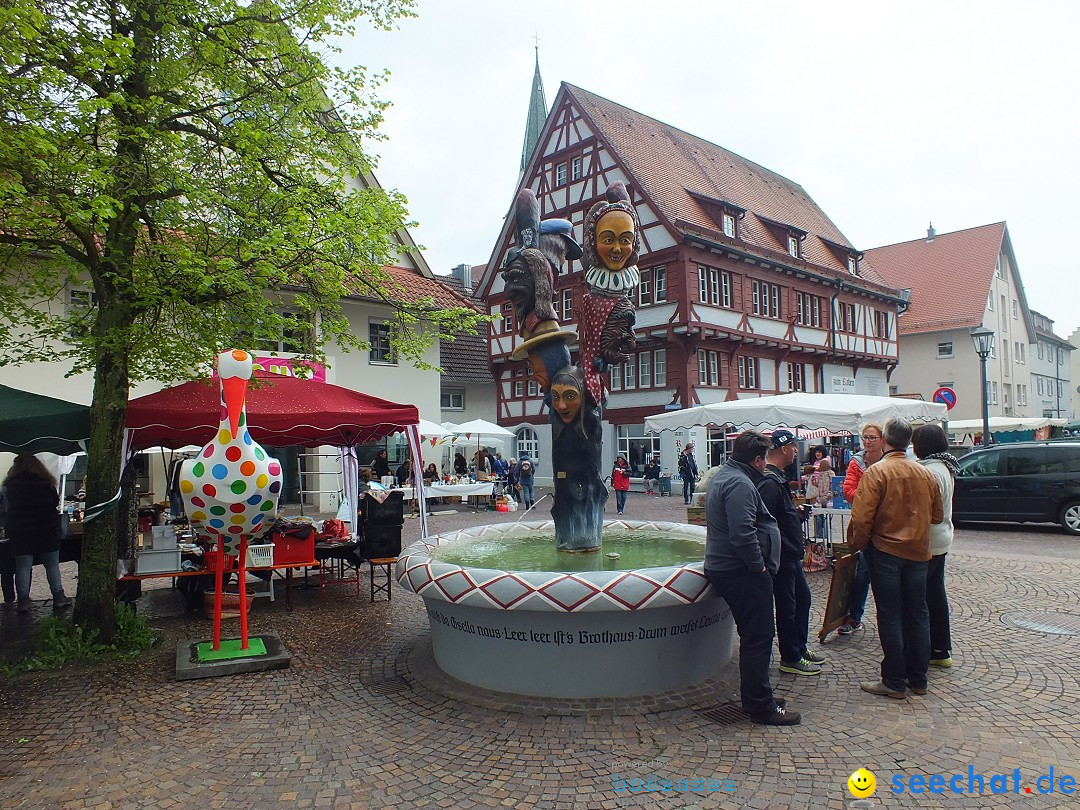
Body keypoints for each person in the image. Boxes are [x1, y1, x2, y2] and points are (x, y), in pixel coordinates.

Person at [704, 431, 800, 726]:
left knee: (754, 636)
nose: (765, 464)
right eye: (763, 459)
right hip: (741, 571)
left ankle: (758, 693)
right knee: (758, 636)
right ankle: (760, 705)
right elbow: (742, 533)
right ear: (757, 460)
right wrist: (758, 567)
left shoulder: (726, 475)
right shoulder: (740, 483)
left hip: (732, 568)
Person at [847, 418, 943, 699]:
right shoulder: (925, 473)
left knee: (890, 615)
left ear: (886, 440)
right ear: (909, 442)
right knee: (918, 613)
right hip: (917, 552)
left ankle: (894, 680)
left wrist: (861, 545)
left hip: (886, 552)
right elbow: (937, 516)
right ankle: (919, 679)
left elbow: (862, 518)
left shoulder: (877, 473)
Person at [756, 430, 825, 677]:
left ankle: (799, 647)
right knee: (788, 606)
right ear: (784, 449)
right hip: (782, 557)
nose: (796, 451)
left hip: (789, 554)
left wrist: (794, 516)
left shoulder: (777, 479)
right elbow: (764, 522)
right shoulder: (770, 482)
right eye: (794, 447)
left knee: (802, 600)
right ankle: (790, 656)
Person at [913, 423, 958, 669]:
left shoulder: (930, 471)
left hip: (928, 540)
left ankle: (933, 648)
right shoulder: (945, 467)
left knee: (924, 598)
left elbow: (924, 511)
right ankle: (941, 648)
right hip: (941, 538)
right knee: (935, 593)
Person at [2, 454, 72, 612]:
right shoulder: (46, 482)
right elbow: (54, 502)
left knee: (23, 566)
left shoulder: (10, 485)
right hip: (46, 529)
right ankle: (58, 597)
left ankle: (23, 601)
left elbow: (6, 507)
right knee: (52, 565)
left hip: (20, 530)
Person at [838, 422, 885, 635]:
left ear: (882, 439)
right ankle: (854, 617)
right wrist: (872, 495)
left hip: (886, 526)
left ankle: (891, 618)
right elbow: (848, 491)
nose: (867, 441)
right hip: (864, 527)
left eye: (872, 437)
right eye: (865, 437)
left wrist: (864, 494)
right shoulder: (856, 462)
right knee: (862, 575)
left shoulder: (889, 460)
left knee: (886, 577)